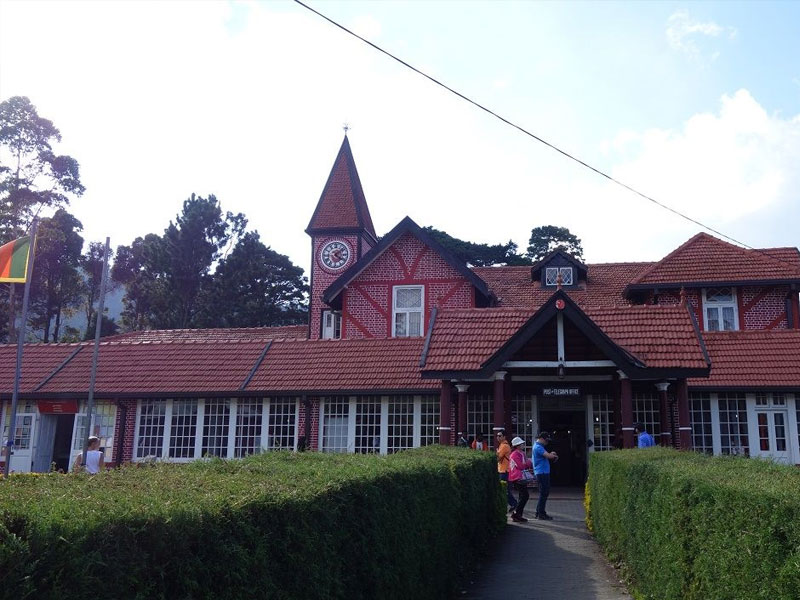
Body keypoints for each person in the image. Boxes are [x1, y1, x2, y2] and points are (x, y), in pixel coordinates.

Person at [532, 431, 558, 520]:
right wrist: (553, 455)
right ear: (542, 439)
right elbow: (548, 456)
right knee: (544, 493)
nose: (547, 443)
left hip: (542, 472)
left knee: (543, 493)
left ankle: (538, 511)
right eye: (546, 441)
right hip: (542, 472)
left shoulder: (539, 446)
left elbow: (547, 455)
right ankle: (541, 513)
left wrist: (552, 454)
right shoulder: (538, 447)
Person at [507, 436, 533, 523]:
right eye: (521, 444)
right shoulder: (514, 454)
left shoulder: (521, 453)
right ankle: (516, 513)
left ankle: (518, 515)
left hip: (520, 476)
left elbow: (524, 464)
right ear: (517, 445)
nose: (523, 445)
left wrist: (526, 463)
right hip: (517, 477)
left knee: (522, 496)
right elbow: (522, 466)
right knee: (525, 495)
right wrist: (528, 463)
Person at [495, 430, 518, 513]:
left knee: (505, 490)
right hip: (504, 469)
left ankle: (513, 503)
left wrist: (497, 453)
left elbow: (498, 458)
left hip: (504, 470)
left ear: (504, 437)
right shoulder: (502, 445)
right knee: (506, 490)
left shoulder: (504, 446)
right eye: (497, 435)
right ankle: (513, 503)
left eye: (500, 436)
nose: (498, 437)